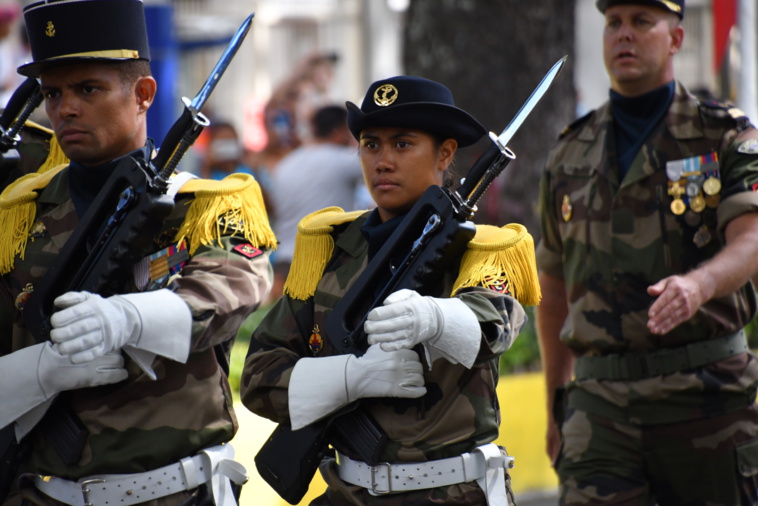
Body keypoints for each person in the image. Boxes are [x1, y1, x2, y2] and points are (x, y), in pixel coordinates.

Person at [0, 1, 276, 505]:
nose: (65, 109)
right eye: (53, 93)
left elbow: (233, 286)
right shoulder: (17, 214)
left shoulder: (202, 206)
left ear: (144, 93)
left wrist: (128, 316)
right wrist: (36, 372)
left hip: (175, 491)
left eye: (88, 89)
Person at [241, 75, 542, 505]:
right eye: (370, 144)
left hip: (452, 495)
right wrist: (347, 379)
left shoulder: (481, 250)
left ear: (445, 153)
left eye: (402, 144)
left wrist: (436, 319)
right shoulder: (328, 249)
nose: (382, 161)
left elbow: (494, 326)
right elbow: (258, 374)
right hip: (349, 493)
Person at [536, 0, 758, 504]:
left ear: (675, 39)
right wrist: (557, 401)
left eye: (642, 22)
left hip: (706, 401)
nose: (624, 35)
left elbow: (751, 240)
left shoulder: (723, 134)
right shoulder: (570, 151)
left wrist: (699, 284)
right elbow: (553, 286)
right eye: (614, 23)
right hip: (599, 414)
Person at [268, 104, 365, 301]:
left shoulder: (286, 164)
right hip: (326, 263)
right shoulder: (344, 161)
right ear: (342, 129)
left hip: (285, 263)